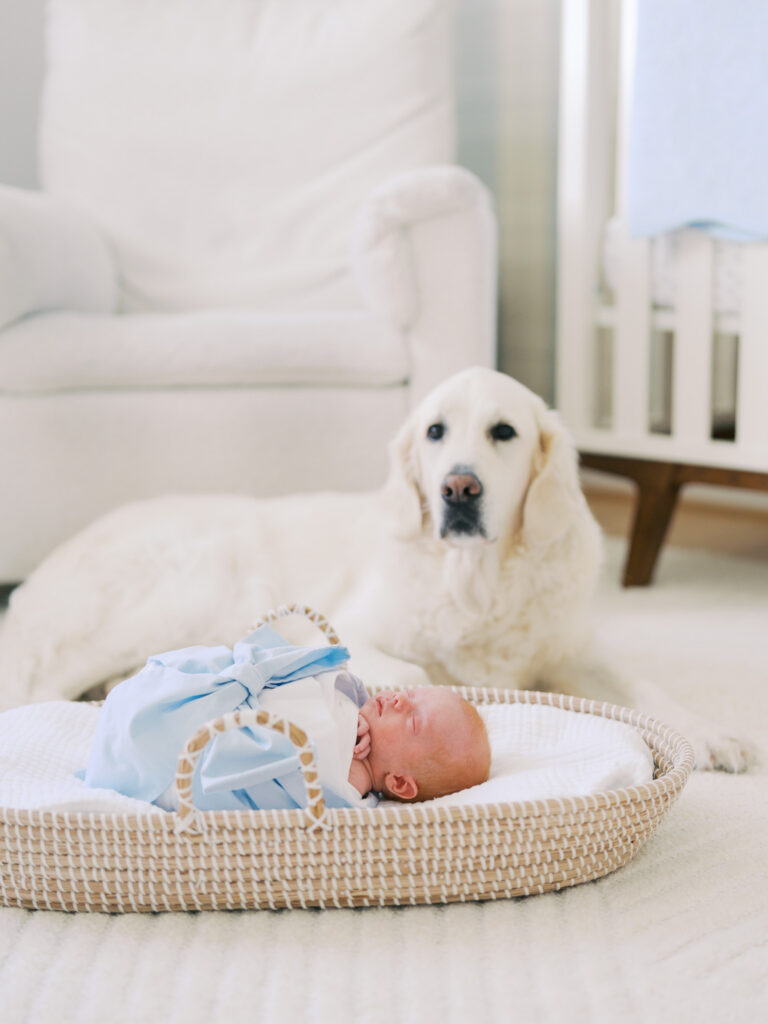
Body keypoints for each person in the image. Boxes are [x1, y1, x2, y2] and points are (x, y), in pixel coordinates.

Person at [80, 624, 490, 812]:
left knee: (163, 746)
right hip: (226, 694)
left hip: (198, 760)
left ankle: (138, 750)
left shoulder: (352, 784)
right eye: (409, 694)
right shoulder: (356, 703)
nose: (399, 701)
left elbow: (308, 765)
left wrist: (344, 733)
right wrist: (345, 706)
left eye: (413, 720)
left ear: (399, 783)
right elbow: (305, 684)